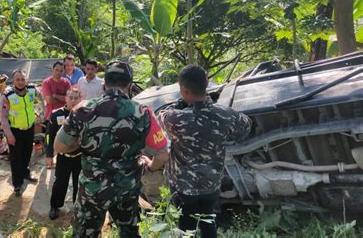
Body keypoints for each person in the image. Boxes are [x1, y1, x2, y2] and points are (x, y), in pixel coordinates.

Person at [54, 61, 169, 237]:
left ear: (104, 84)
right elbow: (162, 154)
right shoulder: (143, 112)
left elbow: (59, 145)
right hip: (127, 189)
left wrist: (80, 147)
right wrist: (150, 167)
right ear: (130, 85)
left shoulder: (82, 109)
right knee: (129, 233)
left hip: (93, 190)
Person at [156, 65, 252, 238]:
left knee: (186, 226)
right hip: (212, 184)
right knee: (209, 221)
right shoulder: (226, 115)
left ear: (184, 90)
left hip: (184, 188)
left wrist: (179, 105)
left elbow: (160, 116)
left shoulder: (176, 118)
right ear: (206, 83)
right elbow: (245, 127)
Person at [0, 69, 42, 196]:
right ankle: (17, 183)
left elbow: (42, 100)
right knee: (15, 157)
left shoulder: (32, 90)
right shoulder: (7, 95)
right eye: (17, 79)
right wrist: (9, 135)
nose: (20, 82)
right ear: (13, 80)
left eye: (23, 79)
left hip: (29, 128)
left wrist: (39, 113)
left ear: (27, 80)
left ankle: (26, 173)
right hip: (14, 131)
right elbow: (2, 117)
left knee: (27, 153)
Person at [47, 88, 82, 220]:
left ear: (80, 99)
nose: (73, 100)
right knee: (60, 182)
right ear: (65, 98)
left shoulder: (84, 115)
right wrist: (49, 155)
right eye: (70, 97)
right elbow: (49, 136)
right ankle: (55, 206)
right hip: (63, 157)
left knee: (79, 183)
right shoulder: (56, 115)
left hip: (80, 157)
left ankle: (77, 208)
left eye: (76, 98)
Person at [41, 60, 71, 128]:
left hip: (63, 115)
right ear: (52, 69)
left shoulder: (66, 82)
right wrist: (63, 98)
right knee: (50, 137)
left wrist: (55, 96)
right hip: (50, 116)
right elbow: (49, 100)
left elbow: (69, 99)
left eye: (61, 71)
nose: (58, 72)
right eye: (56, 70)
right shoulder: (46, 82)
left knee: (61, 136)